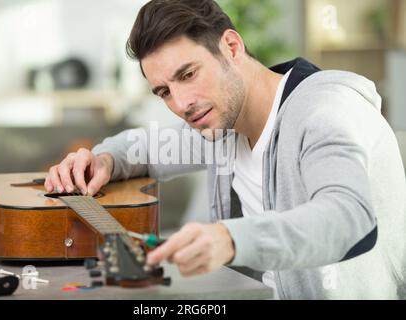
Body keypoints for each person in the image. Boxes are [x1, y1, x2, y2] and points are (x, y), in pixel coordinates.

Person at [45, 0, 406, 299]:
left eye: (188, 75)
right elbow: (146, 147)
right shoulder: (220, 125)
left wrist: (230, 239)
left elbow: (349, 218)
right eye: (164, 91)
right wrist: (103, 159)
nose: (182, 103)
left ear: (231, 48)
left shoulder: (325, 111)